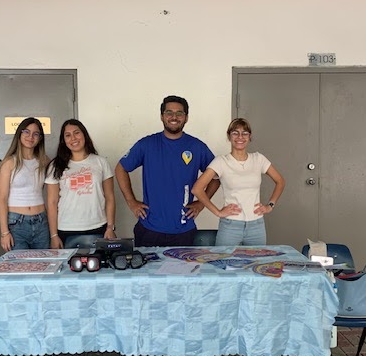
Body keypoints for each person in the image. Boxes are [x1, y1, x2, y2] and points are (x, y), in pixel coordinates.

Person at [115, 95, 220, 247]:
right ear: (162, 116)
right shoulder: (147, 144)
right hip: (149, 228)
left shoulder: (197, 147)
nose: (174, 117)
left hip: (183, 229)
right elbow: (121, 168)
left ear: (186, 118)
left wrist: (201, 203)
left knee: (183, 264)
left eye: (179, 113)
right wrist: (131, 202)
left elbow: (216, 178)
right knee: (144, 264)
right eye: (169, 112)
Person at [191, 118, 285, 246]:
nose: (240, 137)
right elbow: (197, 189)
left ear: (250, 137)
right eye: (235, 133)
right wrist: (218, 212)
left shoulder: (258, 159)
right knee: (225, 259)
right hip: (230, 226)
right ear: (229, 136)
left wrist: (270, 205)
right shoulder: (221, 161)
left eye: (244, 133)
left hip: (256, 226)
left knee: (257, 259)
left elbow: (280, 181)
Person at [45, 119, 117, 248]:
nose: (73, 138)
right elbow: (52, 202)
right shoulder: (55, 166)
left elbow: (110, 197)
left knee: (98, 261)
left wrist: (110, 227)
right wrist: (54, 235)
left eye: (77, 133)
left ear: (84, 134)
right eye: (68, 135)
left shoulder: (101, 162)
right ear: (63, 141)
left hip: (98, 226)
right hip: (66, 228)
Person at [0, 117, 50, 251]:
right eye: (26, 132)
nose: (30, 137)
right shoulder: (9, 163)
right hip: (16, 223)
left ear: (40, 138)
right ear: (19, 134)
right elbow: (2, 199)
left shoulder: (44, 161)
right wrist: (4, 233)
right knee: (20, 263)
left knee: (45, 262)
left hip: (41, 222)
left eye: (35, 134)